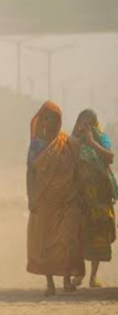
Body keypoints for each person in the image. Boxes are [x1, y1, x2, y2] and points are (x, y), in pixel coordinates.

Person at [26, 101, 84, 297]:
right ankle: (50, 283)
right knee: (46, 242)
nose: (54, 123)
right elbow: (30, 172)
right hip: (44, 201)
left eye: (58, 119)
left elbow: (78, 168)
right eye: (51, 118)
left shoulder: (67, 142)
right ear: (43, 121)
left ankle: (66, 280)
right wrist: (30, 197)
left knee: (67, 240)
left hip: (68, 200)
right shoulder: (37, 145)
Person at [70, 109, 117, 288]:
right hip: (80, 196)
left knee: (98, 235)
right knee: (79, 236)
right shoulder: (72, 142)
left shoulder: (102, 139)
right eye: (83, 123)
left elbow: (110, 157)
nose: (86, 127)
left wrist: (92, 143)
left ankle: (93, 277)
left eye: (90, 123)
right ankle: (79, 276)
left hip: (99, 197)